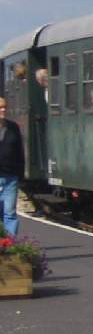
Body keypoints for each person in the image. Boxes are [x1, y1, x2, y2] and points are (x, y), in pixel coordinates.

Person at [0, 97, 23, 239]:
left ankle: (9, 245)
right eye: (0, 107)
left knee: (9, 212)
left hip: (10, 177)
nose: (3, 110)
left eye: (4, 107)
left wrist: (20, 172)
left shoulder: (13, 127)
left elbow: (19, 150)